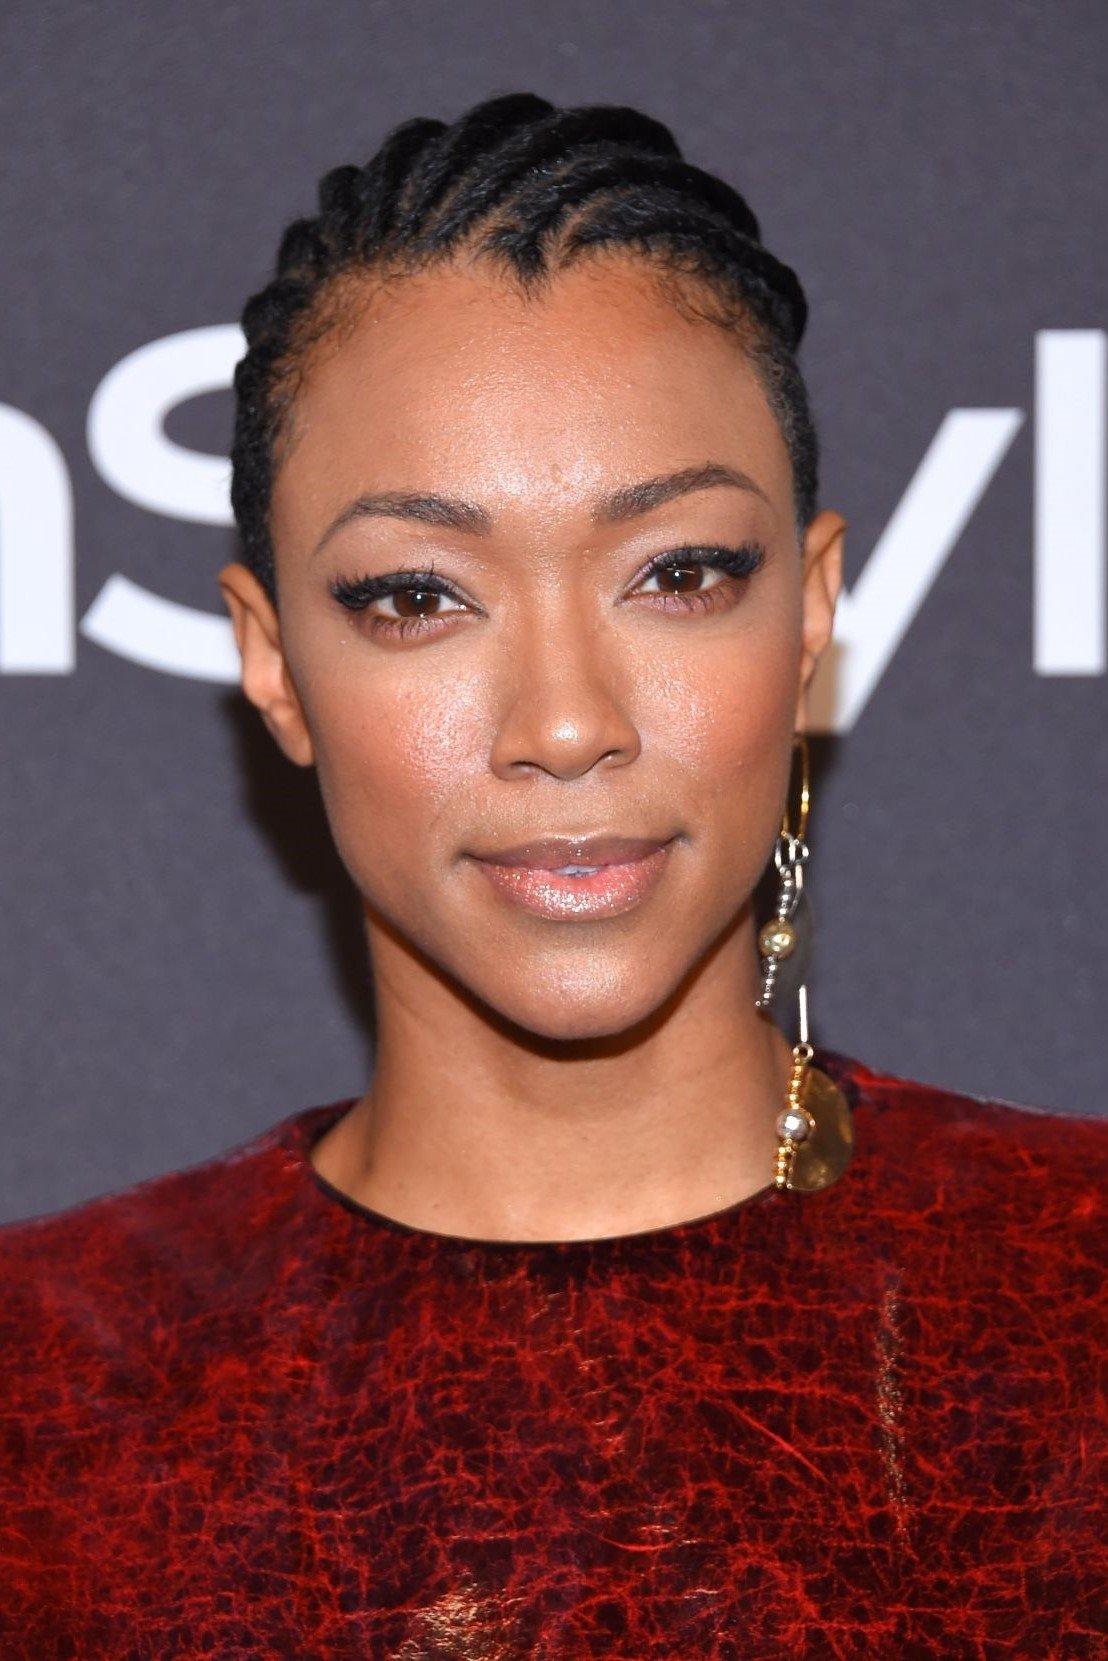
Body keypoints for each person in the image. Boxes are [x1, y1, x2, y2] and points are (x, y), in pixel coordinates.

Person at [0, 93, 1103, 1659]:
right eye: (417, 596)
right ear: (274, 662)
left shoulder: (1075, 1298)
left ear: (809, 614)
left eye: (679, 572)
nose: (569, 722)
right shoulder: (42, 1397)